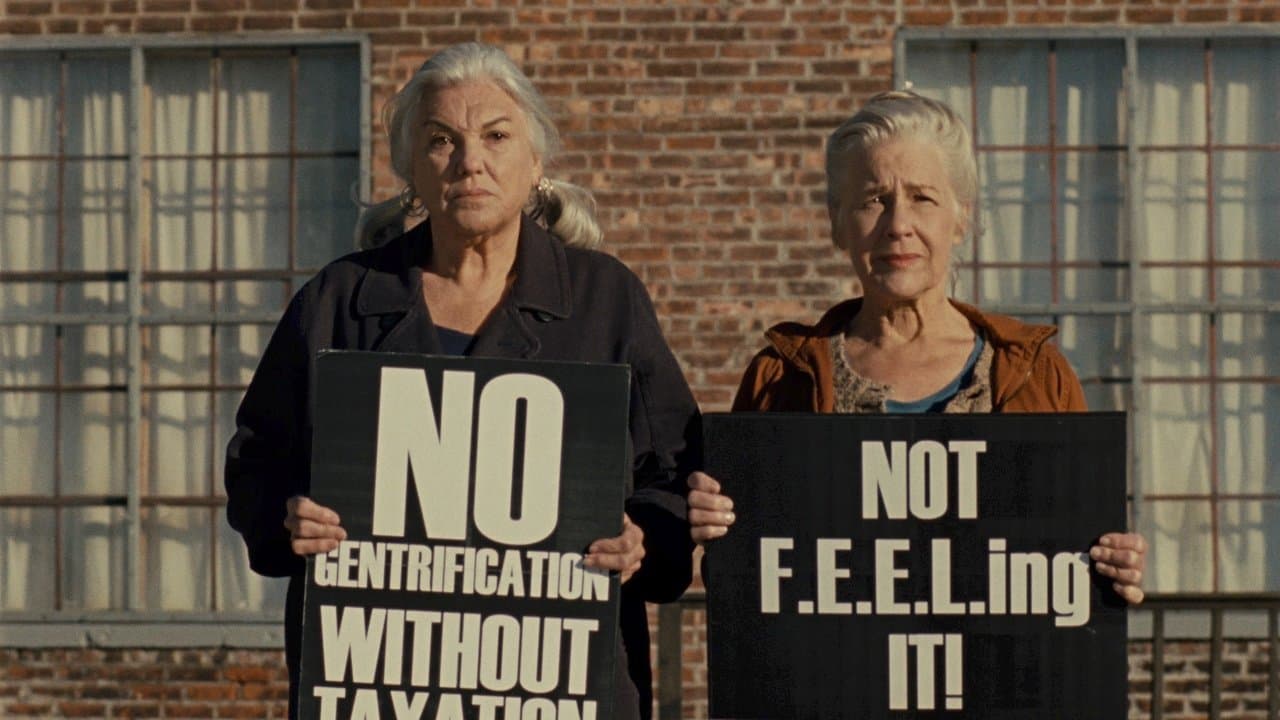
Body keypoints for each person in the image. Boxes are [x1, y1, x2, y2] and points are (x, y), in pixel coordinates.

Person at [224, 43, 699, 720]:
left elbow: (676, 472)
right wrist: (288, 514)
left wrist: (642, 540)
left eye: (496, 137)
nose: (470, 161)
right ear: (412, 167)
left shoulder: (605, 300)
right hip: (383, 686)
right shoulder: (340, 301)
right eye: (442, 140)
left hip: (562, 689)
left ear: (535, 162)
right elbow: (255, 461)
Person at [688, 90, 1146, 604]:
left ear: (961, 217)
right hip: (838, 682)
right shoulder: (781, 378)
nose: (897, 225)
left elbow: (1074, 562)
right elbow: (745, 584)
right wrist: (715, 530)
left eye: (922, 198)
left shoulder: (1036, 373)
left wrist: (1113, 567)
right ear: (838, 223)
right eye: (872, 200)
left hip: (994, 678)